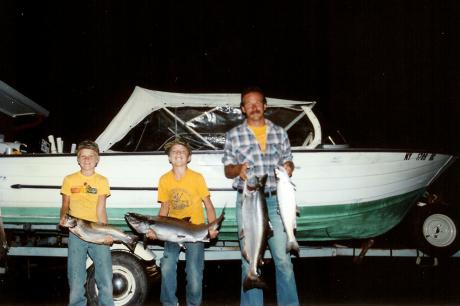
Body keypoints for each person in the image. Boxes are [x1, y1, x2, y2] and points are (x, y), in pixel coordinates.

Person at [222, 86, 299, 306]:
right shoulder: (233, 135)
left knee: (283, 259)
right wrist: (238, 170)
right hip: (248, 200)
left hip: (276, 200)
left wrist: (289, 166)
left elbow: (289, 160)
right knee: (249, 259)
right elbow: (228, 170)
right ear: (243, 109)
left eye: (258, 103)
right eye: (249, 103)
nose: (254, 107)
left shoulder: (279, 132)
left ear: (265, 106)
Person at [147, 138, 219, 306]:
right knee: (166, 266)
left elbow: (208, 205)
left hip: (195, 230)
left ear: (189, 157)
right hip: (173, 231)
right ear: (169, 158)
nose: (178, 153)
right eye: (174, 151)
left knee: (194, 272)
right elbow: (164, 207)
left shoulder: (197, 178)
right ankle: (169, 303)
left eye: (182, 151)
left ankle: (194, 303)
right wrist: (155, 229)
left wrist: (213, 227)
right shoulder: (164, 179)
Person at [59, 140, 114, 306]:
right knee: (76, 279)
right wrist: (62, 217)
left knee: (105, 277)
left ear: (97, 159)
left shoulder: (102, 181)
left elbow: (101, 210)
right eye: (83, 156)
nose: (87, 159)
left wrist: (106, 234)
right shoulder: (69, 179)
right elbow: (65, 205)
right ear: (78, 159)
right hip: (76, 232)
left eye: (91, 156)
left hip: (96, 231)